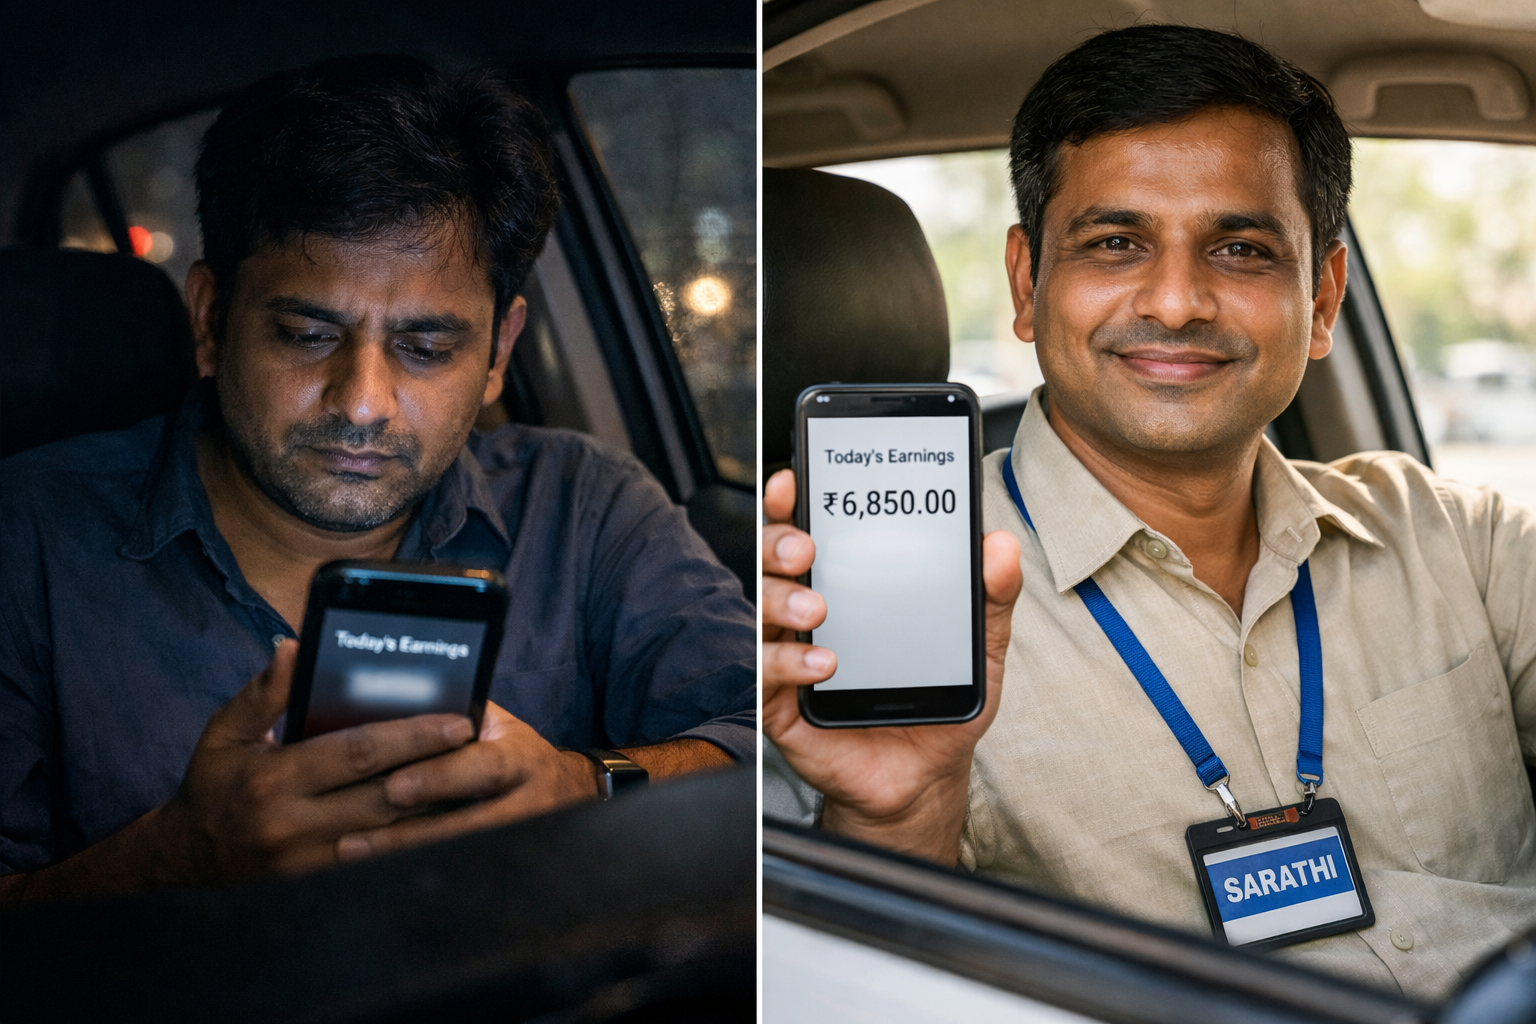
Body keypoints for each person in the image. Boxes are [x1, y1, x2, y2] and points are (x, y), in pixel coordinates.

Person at [763, 24, 1536, 1001]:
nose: (1175, 301)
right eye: (1116, 243)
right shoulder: (875, 610)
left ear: (1323, 295)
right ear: (1025, 281)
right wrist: (892, 816)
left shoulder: (1454, 538)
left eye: (1242, 248)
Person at [0, 54, 755, 902]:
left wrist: (582, 789)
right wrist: (171, 860)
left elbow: (771, 746)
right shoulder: (26, 537)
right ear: (212, 322)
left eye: (426, 348)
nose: (363, 404)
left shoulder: (585, 506)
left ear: (500, 353)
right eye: (307, 335)